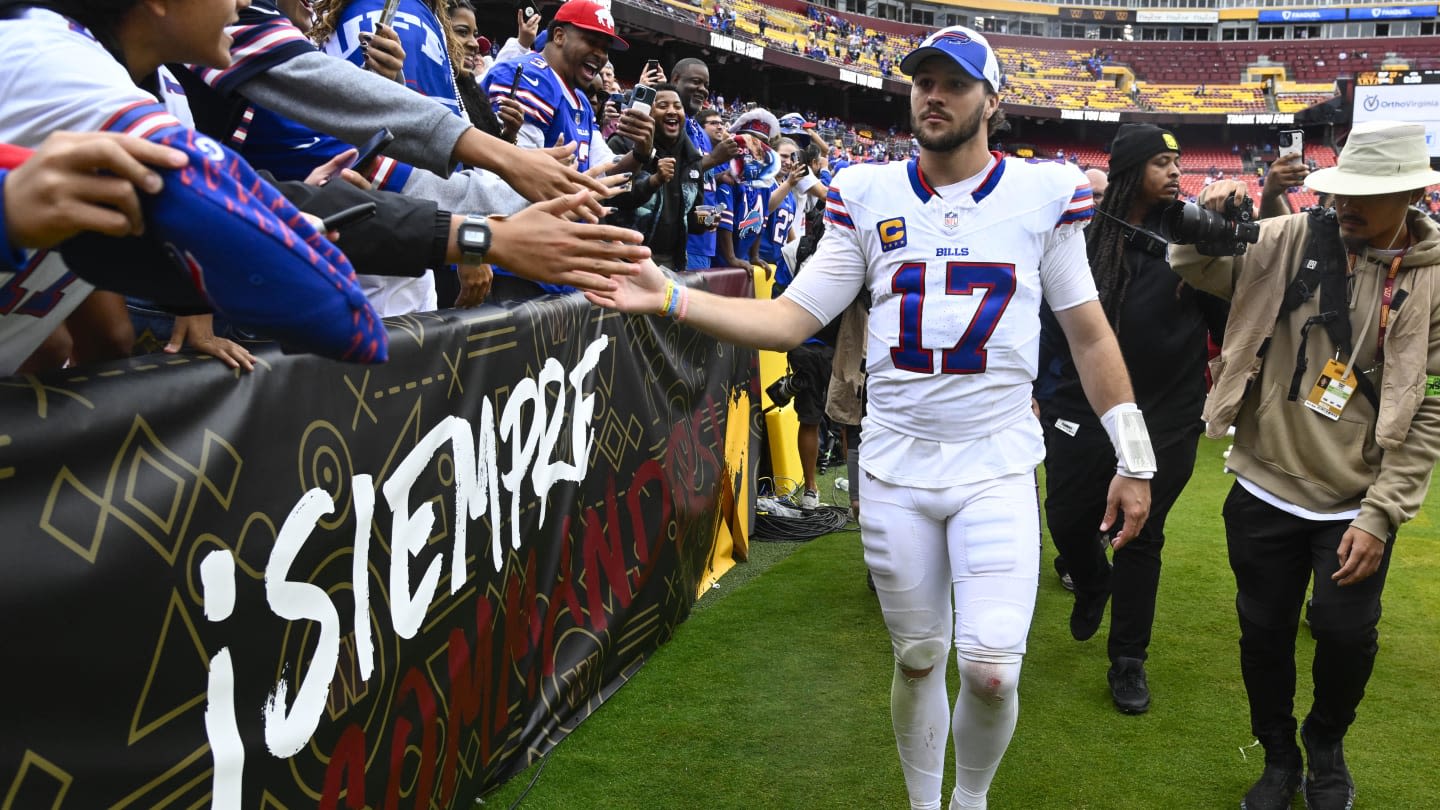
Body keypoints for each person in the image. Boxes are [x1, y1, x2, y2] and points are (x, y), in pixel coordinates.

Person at [585, 27, 1154, 810]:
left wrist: (1134, 454)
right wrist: (671, 295)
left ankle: (971, 799)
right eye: (923, 79)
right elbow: (789, 320)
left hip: (994, 460)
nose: (934, 94)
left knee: (992, 668)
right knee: (919, 655)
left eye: (954, 82)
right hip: (895, 464)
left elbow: (1089, 334)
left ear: (993, 100)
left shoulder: (1044, 194)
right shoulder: (867, 192)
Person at [1171, 120, 1440, 810]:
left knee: (1346, 636)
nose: (1346, 205)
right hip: (1264, 481)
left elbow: (1431, 412)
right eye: (1342, 190)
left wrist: (1381, 518)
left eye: (1367, 195)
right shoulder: (1295, 236)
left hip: (1356, 499)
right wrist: (1216, 222)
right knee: (1262, 634)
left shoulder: (1434, 282)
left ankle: (1326, 742)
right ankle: (1280, 755)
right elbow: (1196, 265)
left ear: (1412, 193)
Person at [1038, 125, 1228, 715]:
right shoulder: (1081, 238)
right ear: (1128, 172)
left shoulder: (1195, 241)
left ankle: (1128, 660)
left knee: (1141, 536)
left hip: (1165, 416)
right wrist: (1038, 386)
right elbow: (1051, 321)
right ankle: (1093, 582)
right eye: (1160, 163)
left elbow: (1224, 323)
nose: (1174, 172)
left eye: (1178, 162)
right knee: (1067, 519)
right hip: (1081, 406)